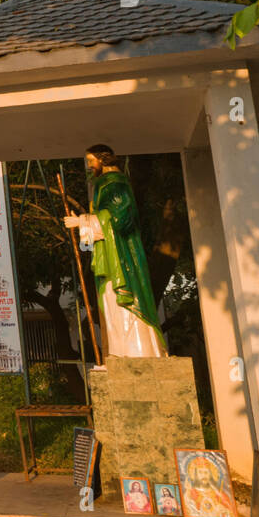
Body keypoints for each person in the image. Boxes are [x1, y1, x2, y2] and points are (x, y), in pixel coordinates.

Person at [63, 145, 166, 358]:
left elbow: (120, 220)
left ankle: (139, 353)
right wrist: (85, 223)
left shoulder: (115, 183)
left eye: (91, 161)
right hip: (110, 256)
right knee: (112, 304)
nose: (89, 166)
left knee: (125, 305)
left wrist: (82, 221)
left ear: (103, 159)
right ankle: (122, 353)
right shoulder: (105, 184)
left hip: (122, 257)